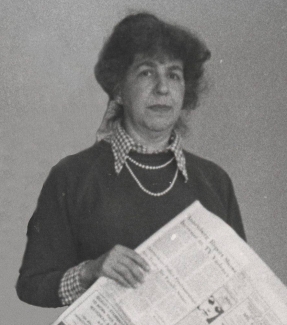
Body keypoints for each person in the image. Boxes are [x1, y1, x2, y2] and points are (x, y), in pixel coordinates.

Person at [16, 12, 246, 308]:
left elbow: (241, 285)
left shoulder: (215, 181)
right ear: (119, 90)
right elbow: (31, 285)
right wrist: (90, 272)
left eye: (174, 75)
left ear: (185, 92)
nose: (163, 88)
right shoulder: (72, 176)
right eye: (147, 72)